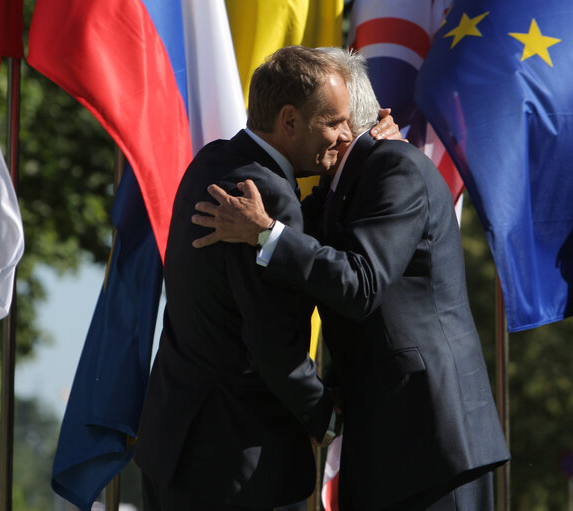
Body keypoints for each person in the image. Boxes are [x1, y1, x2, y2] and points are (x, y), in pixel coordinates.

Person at [191, 47, 509, 511]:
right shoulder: (339, 188)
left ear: (352, 121)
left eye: (338, 122)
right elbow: (315, 244)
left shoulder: (394, 167)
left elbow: (361, 283)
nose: (335, 136)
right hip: (386, 438)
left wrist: (265, 232)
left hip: (432, 437)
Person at [134, 46, 354, 511]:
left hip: (172, 446)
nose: (345, 135)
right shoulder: (266, 195)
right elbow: (272, 340)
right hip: (239, 466)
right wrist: (326, 419)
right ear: (289, 121)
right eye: (334, 121)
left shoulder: (211, 161)